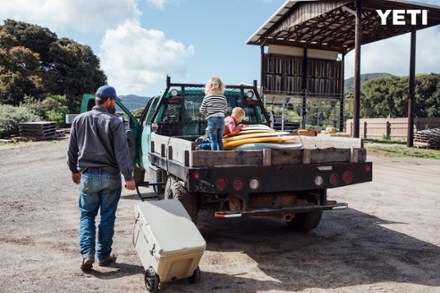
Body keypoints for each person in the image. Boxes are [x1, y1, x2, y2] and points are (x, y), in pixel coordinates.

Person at [67, 85, 136, 271]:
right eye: (114, 101)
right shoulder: (114, 122)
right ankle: (103, 256)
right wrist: (129, 176)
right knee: (107, 217)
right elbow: (122, 152)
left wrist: (74, 170)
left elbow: (72, 149)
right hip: (110, 177)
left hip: (88, 175)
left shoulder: (79, 120)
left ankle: (87, 254)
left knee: (87, 215)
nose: (114, 104)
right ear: (108, 101)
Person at [199, 77, 228, 150]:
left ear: (209, 86)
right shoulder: (223, 97)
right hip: (221, 120)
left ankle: (214, 157)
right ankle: (222, 156)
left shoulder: (207, 97)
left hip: (212, 120)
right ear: (221, 86)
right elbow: (225, 109)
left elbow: (202, 110)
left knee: (213, 141)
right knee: (220, 140)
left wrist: (207, 114)